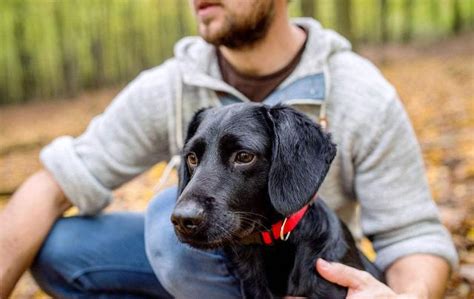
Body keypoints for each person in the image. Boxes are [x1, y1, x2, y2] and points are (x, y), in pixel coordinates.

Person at [0, 0, 458, 298]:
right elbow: (54, 183)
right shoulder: (170, 84)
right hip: (210, 255)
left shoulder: (363, 93)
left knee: (168, 224)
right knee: (66, 245)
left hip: (307, 261)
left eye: (242, 155)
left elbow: (413, 239)